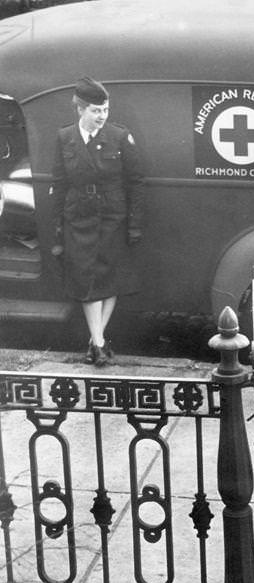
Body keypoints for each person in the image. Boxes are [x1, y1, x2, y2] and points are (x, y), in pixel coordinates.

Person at [51, 76, 145, 366]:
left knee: (108, 279)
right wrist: (58, 225)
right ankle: (100, 341)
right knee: (86, 280)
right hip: (78, 216)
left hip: (111, 216)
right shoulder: (65, 137)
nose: (101, 116)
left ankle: (96, 341)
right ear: (79, 110)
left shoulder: (118, 137)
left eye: (105, 110)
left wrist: (134, 223)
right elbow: (59, 181)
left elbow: (136, 181)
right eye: (95, 111)